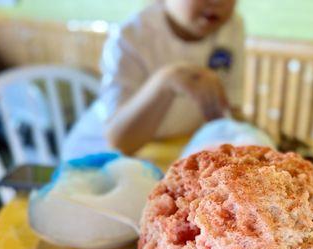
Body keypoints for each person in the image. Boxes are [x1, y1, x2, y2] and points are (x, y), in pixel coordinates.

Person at [62, 0, 244, 160]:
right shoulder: (131, 34)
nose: (217, 1)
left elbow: (230, 109)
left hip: (166, 149)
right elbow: (119, 143)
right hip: (96, 159)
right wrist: (166, 81)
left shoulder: (231, 26)